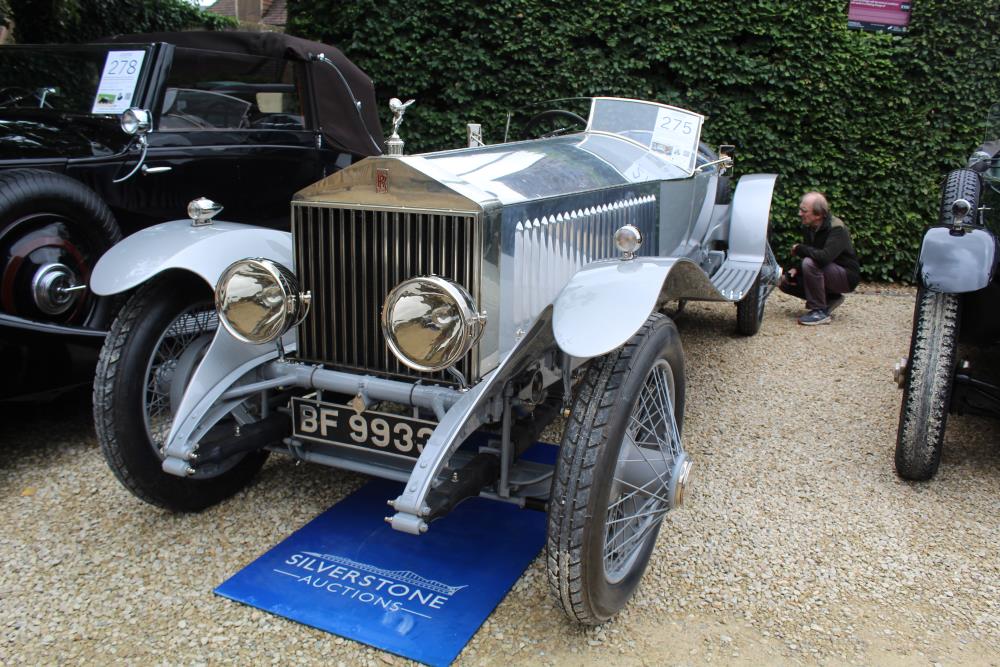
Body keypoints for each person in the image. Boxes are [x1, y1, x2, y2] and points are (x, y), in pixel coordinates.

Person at [778, 191, 860, 325]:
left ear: (819, 215)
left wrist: (800, 249)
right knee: (784, 282)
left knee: (810, 263)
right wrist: (795, 270)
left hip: (846, 276)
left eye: (804, 211)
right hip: (826, 269)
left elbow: (823, 258)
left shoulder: (837, 228)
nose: (799, 214)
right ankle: (831, 298)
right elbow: (812, 253)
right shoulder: (809, 227)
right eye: (800, 209)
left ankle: (819, 312)